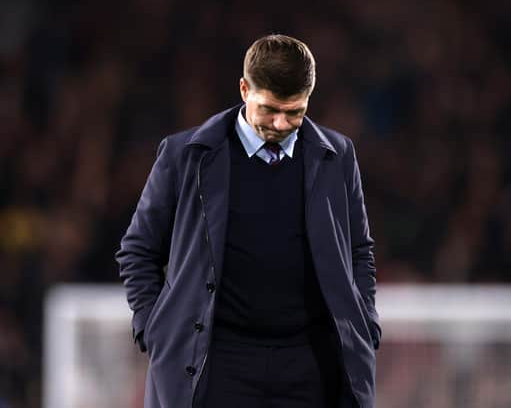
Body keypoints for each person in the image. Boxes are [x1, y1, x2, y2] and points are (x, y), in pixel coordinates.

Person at [116, 34, 380, 408]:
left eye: (295, 112)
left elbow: (358, 251)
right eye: (270, 108)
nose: (281, 122)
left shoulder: (338, 156)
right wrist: (153, 328)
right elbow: (138, 250)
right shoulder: (184, 156)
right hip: (217, 362)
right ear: (244, 88)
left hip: (310, 365)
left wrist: (365, 323)